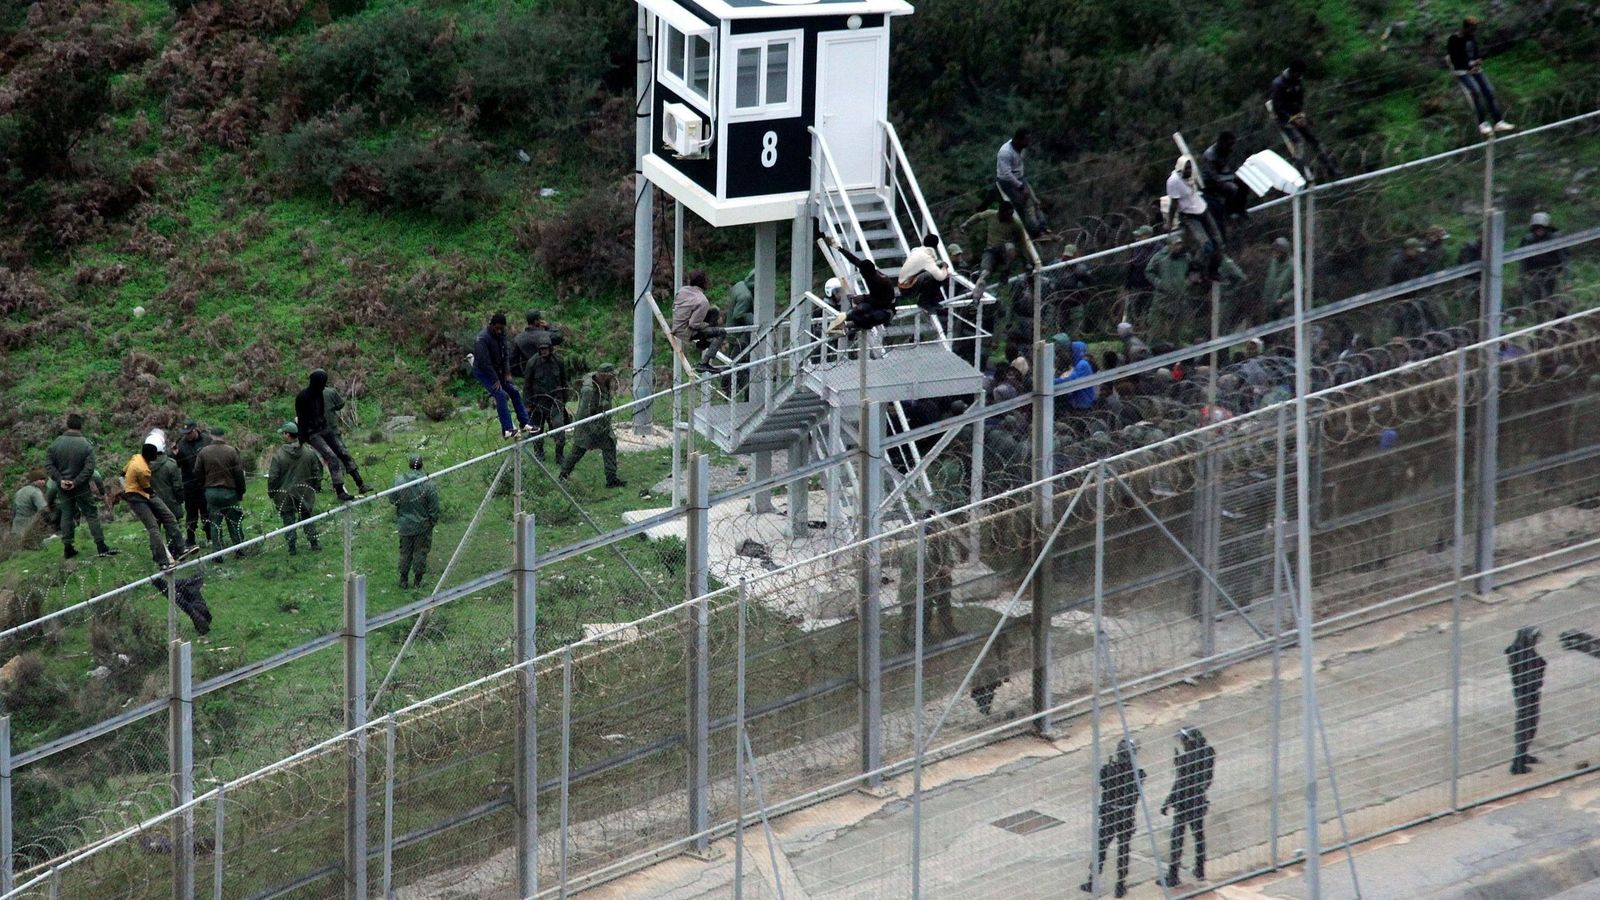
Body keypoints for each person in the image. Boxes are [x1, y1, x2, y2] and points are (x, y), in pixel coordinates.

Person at [46, 414, 118, 560]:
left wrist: (60, 480)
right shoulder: (86, 445)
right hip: (81, 487)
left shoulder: (55, 444)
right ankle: (101, 546)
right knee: (91, 513)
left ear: (67, 425)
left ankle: (68, 548)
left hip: (62, 487)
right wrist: (77, 481)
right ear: (81, 426)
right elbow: (89, 468)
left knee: (67, 514)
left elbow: (49, 465)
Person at [1082, 737, 1145, 898]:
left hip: (1110, 815)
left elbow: (1102, 781)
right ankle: (1120, 885)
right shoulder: (1137, 774)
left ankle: (1092, 882)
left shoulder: (1109, 771)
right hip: (1125, 817)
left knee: (1101, 848)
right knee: (1123, 850)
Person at [897, 512, 968, 647]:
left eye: (938, 525)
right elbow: (923, 569)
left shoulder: (939, 541)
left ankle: (945, 631)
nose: (938, 529)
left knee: (941, 605)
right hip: (918, 584)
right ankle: (913, 639)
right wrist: (940, 569)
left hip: (937, 580)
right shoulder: (918, 547)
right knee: (918, 611)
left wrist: (947, 567)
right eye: (935, 526)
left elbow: (949, 558)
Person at [295, 369, 368, 501]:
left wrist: (325, 427)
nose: (323, 386)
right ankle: (339, 490)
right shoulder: (302, 397)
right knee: (332, 457)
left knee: (342, 452)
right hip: (312, 434)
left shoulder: (319, 394)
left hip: (324, 428)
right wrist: (301, 439)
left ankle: (360, 483)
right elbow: (301, 419)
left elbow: (321, 412)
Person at [1160, 726, 1216, 887]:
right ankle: (1200, 870)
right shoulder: (1208, 753)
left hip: (1184, 803)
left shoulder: (1186, 760)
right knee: (1198, 835)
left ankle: (1173, 876)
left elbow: (1180, 783)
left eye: (1184, 741)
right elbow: (1206, 779)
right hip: (1198, 800)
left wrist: (1168, 801)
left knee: (1177, 837)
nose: (1183, 744)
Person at [1269, 60, 1340, 181]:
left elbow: (1300, 100)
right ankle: (1302, 175)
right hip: (1284, 119)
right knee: (1298, 142)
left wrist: (1301, 115)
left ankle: (1331, 169)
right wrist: (1291, 119)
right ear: (1293, 72)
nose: (1300, 76)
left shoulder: (1298, 81)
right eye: (1298, 74)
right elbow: (1278, 108)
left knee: (1314, 139)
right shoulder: (1278, 84)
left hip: (1297, 116)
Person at [121, 441, 189, 568]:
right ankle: (163, 560)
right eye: (155, 455)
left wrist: (127, 482)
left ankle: (181, 548)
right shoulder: (144, 470)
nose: (156, 456)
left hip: (142, 492)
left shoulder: (136, 457)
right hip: (136, 496)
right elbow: (147, 488)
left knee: (169, 517)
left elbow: (122, 472)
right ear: (151, 456)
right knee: (153, 527)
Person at [559, 364, 627, 488]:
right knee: (578, 451)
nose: (613, 378)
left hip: (602, 425)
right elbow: (584, 413)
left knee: (610, 445)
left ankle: (611, 479)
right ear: (604, 375)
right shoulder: (589, 390)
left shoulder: (605, 383)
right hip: (587, 428)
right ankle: (563, 475)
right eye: (611, 375)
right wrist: (593, 430)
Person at [960, 201, 1034, 311]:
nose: (1010, 217)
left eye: (1011, 214)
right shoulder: (991, 214)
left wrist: (1027, 261)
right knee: (984, 275)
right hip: (991, 251)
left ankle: (1005, 271)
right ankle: (975, 299)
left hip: (1004, 253)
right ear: (1001, 212)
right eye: (1008, 214)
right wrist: (967, 224)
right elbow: (978, 216)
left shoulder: (1016, 224)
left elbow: (1023, 244)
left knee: (1010, 247)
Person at [472, 313, 536, 439]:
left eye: (502, 328)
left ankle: (525, 423)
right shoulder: (482, 339)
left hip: (498, 370)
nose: (499, 331)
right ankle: (507, 429)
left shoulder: (501, 335)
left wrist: (507, 372)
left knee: (514, 391)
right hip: (484, 372)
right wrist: (495, 379)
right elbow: (485, 362)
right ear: (491, 325)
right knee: (500, 395)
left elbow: (505, 354)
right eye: (497, 328)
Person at [1447, 17, 1514, 136]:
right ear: (1466, 27)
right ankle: (1482, 123)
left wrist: (1477, 62)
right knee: (1476, 91)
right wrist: (1469, 65)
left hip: (1475, 69)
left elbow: (1476, 53)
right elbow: (1454, 59)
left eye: (1475, 29)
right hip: (1462, 71)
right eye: (1472, 29)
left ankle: (1498, 122)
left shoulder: (1471, 38)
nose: (1474, 31)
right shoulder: (1455, 39)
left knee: (1489, 91)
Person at [267, 422, 323, 555]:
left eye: (283, 433)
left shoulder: (278, 455)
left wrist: (271, 492)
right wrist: (314, 487)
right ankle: (314, 543)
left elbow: (273, 477)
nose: (282, 435)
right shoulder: (309, 452)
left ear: (287, 435)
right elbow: (317, 471)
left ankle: (292, 548)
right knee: (307, 517)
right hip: (304, 492)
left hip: (284, 494)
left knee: (288, 520)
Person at [1165, 155, 1224, 280]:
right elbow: (1174, 203)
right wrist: (1169, 222)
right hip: (1189, 214)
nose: (1189, 170)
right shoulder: (1173, 181)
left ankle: (1213, 270)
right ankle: (1194, 266)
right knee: (1206, 245)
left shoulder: (1192, 175)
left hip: (1202, 209)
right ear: (1180, 168)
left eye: (1190, 168)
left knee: (1218, 242)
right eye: (1186, 168)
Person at [828, 237, 899, 339]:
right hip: (874, 304)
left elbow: (884, 302)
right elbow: (854, 260)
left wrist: (864, 298)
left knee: (869, 318)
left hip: (886, 309)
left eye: (862, 273)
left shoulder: (882, 282)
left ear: (867, 274)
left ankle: (849, 327)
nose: (861, 274)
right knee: (857, 311)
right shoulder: (869, 271)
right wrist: (839, 249)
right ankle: (839, 327)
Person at [392, 455, 442, 589]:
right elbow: (434, 508)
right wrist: (432, 522)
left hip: (404, 524)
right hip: (422, 525)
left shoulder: (399, 481)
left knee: (405, 552)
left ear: (409, 465)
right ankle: (418, 581)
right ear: (422, 465)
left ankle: (403, 580)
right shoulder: (428, 484)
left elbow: (392, 499)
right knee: (420, 552)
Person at [196, 427, 247, 555]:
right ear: (223, 436)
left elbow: (197, 472)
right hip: (230, 492)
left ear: (211, 436)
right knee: (234, 522)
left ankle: (217, 552)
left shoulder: (203, 452)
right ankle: (239, 549)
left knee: (215, 524)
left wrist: (204, 486)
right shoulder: (232, 451)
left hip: (212, 492)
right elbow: (239, 474)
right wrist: (241, 492)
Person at [522, 331, 569, 466]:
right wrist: (528, 404)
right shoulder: (532, 363)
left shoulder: (558, 361)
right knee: (537, 430)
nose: (543, 351)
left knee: (559, 429)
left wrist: (564, 400)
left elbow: (564, 381)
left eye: (546, 349)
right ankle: (539, 453)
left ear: (551, 348)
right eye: (541, 349)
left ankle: (559, 455)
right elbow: (527, 385)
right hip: (538, 402)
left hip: (555, 401)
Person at [1506, 625, 1546, 774]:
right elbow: (1529, 676)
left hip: (1527, 693)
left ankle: (1523, 756)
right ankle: (1518, 764)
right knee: (1526, 726)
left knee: (1529, 725)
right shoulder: (1522, 655)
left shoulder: (1521, 651)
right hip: (1526, 694)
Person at [671, 270, 728, 374]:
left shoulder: (682, 291)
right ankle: (704, 363)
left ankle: (704, 342)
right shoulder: (702, 301)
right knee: (721, 332)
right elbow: (693, 324)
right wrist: (706, 325)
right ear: (704, 283)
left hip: (677, 325)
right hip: (686, 331)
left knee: (714, 311)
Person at [996, 127, 1048, 237]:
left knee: (1035, 202)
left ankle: (1043, 227)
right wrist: (1020, 187)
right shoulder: (1005, 152)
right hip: (1008, 182)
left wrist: (1022, 182)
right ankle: (1035, 233)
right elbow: (1006, 174)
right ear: (1018, 140)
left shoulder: (1022, 148)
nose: (1028, 143)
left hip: (1020, 177)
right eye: (1026, 140)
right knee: (1024, 205)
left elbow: (1019, 164)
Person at [173, 419, 210, 548]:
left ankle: (210, 537)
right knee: (191, 515)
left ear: (195, 430)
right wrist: (176, 455)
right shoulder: (180, 444)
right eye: (185, 433)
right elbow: (176, 465)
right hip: (189, 485)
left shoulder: (206, 440)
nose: (187, 435)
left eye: (189, 433)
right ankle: (190, 540)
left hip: (205, 483)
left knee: (207, 513)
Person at [1200, 131, 1249, 224]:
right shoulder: (1210, 155)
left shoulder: (1224, 151)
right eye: (1229, 145)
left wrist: (1237, 176)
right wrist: (1232, 177)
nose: (1231, 148)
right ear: (1222, 143)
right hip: (1210, 182)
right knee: (1232, 188)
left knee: (1244, 184)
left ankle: (1240, 209)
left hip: (1222, 177)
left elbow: (1225, 169)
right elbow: (1214, 177)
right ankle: (1228, 211)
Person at [1520, 212, 1569, 302]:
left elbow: (1564, 258)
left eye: (1542, 228)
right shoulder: (1528, 240)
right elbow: (1523, 261)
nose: (1539, 231)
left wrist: (1566, 279)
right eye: (1536, 228)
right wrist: (1523, 279)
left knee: (1552, 295)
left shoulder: (1555, 238)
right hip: (1535, 272)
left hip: (1553, 270)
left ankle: (1552, 305)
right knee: (1536, 296)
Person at [899, 233, 951, 318]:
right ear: (936, 246)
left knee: (936, 274)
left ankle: (933, 300)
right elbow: (940, 276)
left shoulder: (918, 251)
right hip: (907, 288)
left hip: (906, 284)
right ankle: (924, 302)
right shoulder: (926, 257)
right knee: (933, 276)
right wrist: (944, 267)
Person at [151, 443, 185, 557]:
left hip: (151, 502)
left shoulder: (143, 466)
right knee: (172, 526)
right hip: (170, 501)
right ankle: (175, 551)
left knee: (154, 529)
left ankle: (158, 554)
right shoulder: (170, 464)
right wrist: (180, 499)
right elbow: (177, 486)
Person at [1056, 340, 1097, 411]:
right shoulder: (1076, 365)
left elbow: (1069, 379)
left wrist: (1051, 382)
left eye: (1071, 351)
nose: (1069, 354)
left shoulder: (1083, 364)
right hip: (1079, 405)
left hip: (1084, 407)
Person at [1262, 237, 1295, 323]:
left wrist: (1284, 298)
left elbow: (1299, 287)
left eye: (1278, 252)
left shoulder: (1293, 266)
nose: (1275, 254)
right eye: (1274, 251)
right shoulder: (1272, 263)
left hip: (1285, 309)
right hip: (1270, 307)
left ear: (1284, 253)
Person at [11, 473, 47, 538]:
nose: (43, 482)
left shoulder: (19, 491)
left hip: (16, 525)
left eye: (44, 479)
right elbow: (43, 509)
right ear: (34, 480)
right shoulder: (36, 492)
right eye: (40, 479)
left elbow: (13, 510)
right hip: (29, 525)